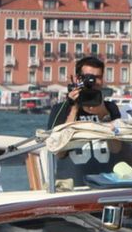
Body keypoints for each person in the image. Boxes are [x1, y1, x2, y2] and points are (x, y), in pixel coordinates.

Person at [47, 55, 123, 188]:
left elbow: (117, 149)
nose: (93, 81)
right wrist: (74, 107)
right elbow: (59, 152)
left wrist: (103, 115)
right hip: (72, 187)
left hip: (106, 185)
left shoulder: (110, 108)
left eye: (98, 77)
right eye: (88, 77)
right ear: (78, 79)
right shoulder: (61, 109)